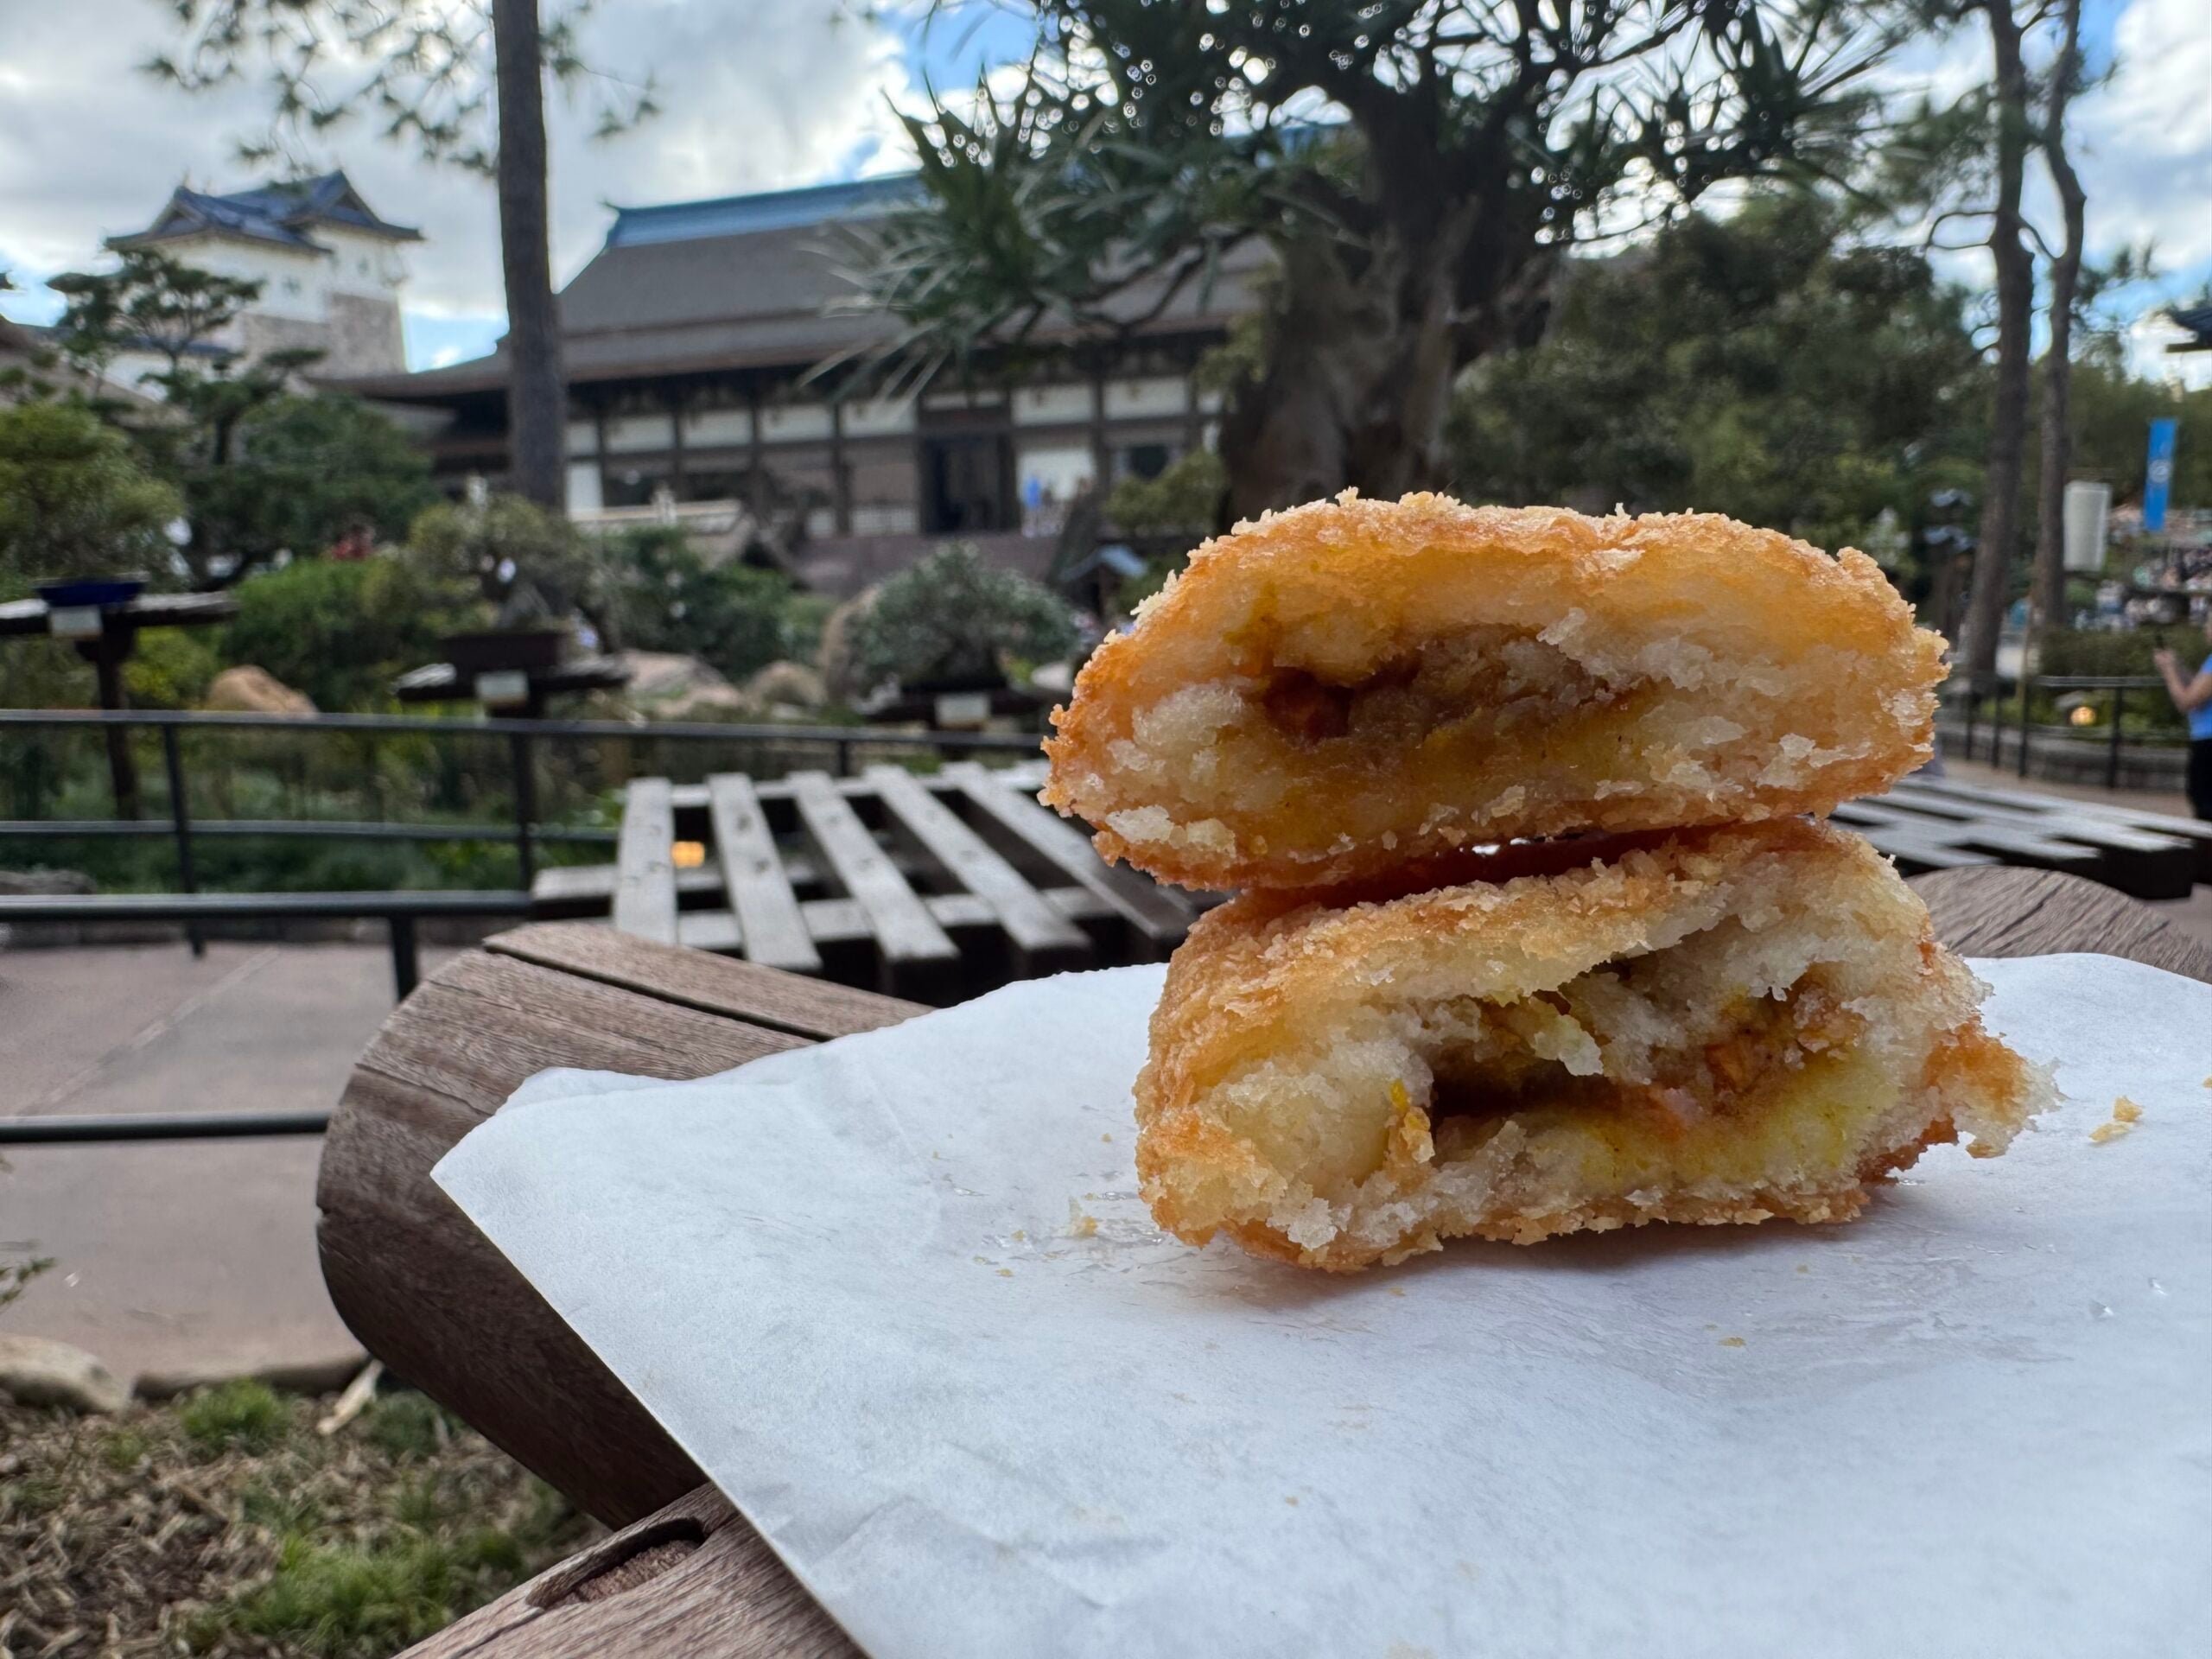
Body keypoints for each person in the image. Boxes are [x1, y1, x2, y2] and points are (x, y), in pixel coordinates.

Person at [2152, 613, 2212, 820]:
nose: (2206, 629)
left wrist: (2169, 671)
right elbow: (2200, 688)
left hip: (2207, 743)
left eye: (2210, 623)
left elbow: (2187, 701)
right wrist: (2176, 665)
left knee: (2204, 805)